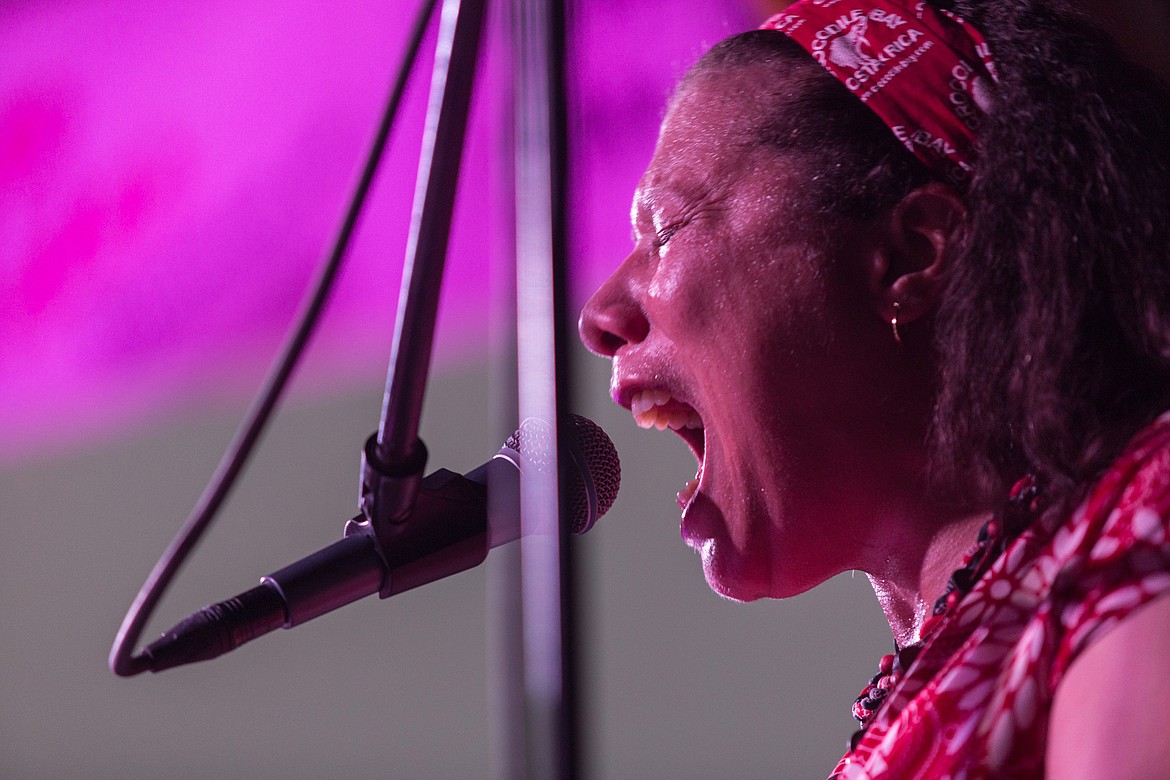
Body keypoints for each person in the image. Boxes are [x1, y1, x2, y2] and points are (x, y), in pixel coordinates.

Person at [577, 0, 1170, 776]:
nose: (599, 317)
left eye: (663, 231)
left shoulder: (1135, 530)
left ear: (911, 252)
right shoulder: (949, 667)